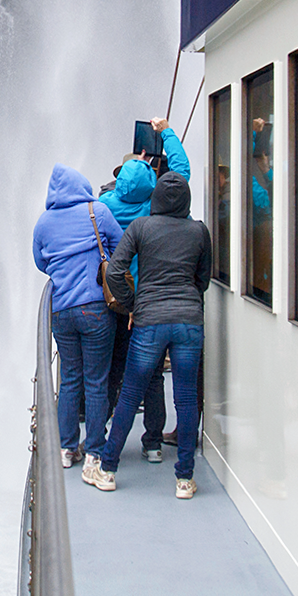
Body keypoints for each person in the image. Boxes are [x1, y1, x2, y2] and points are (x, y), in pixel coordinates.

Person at [84, 171, 212, 500]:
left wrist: (131, 306)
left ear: (156, 199)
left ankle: (108, 469)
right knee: (185, 398)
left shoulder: (141, 227)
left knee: (129, 394)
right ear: (185, 199)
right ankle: (184, 479)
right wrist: (188, 299)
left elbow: (114, 270)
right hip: (188, 322)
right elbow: (204, 278)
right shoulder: (199, 231)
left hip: (149, 320)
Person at [99, 118, 191, 464]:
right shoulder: (154, 207)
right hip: (147, 302)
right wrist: (165, 131)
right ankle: (152, 442)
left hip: (114, 300)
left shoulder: (104, 206)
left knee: (110, 368)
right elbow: (180, 173)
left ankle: (99, 437)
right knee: (152, 374)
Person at [32, 164, 122, 472]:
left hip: (61, 310)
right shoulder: (97, 211)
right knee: (96, 381)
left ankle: (65, 448)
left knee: (69, 379)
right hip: (96, 308)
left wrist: (63, 270)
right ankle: (95, 451)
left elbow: (41, 261)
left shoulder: (44, 223)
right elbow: (121, 248)